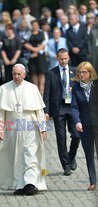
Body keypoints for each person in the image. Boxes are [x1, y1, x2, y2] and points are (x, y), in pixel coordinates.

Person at [0, 63, 47, 195]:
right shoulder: (4, 89)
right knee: (15, 156)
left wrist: (43, 129)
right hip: (12, 128)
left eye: (19, 74)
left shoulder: (32, 88)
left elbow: (39, 111)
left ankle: (31, 184)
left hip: (30, 126)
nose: (16, 76)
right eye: (14, 74)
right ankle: (19, 184)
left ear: (24, 75)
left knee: (30, 153)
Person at [44, 48, 80, 176]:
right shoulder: (51, 73)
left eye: (65, 58)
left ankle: (71, 156)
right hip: (58, 108)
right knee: (61, 138)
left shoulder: (75, 71)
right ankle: (66, 165)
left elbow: (82, 89)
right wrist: (46, 111)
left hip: (73, 107)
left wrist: (74, 90)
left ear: (68, 57)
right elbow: (46, 93)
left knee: (76, 135)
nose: (64, 61)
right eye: (61, 59)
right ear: (57, 58)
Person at [71, 62, 98, 191]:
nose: (81, 75)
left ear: (90, 73)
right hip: (84, 125)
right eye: (79, 72)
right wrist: (77, 121)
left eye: (84, 72)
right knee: (89, 153)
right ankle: (93, 181)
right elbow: (74, 107)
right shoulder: (76, 87)